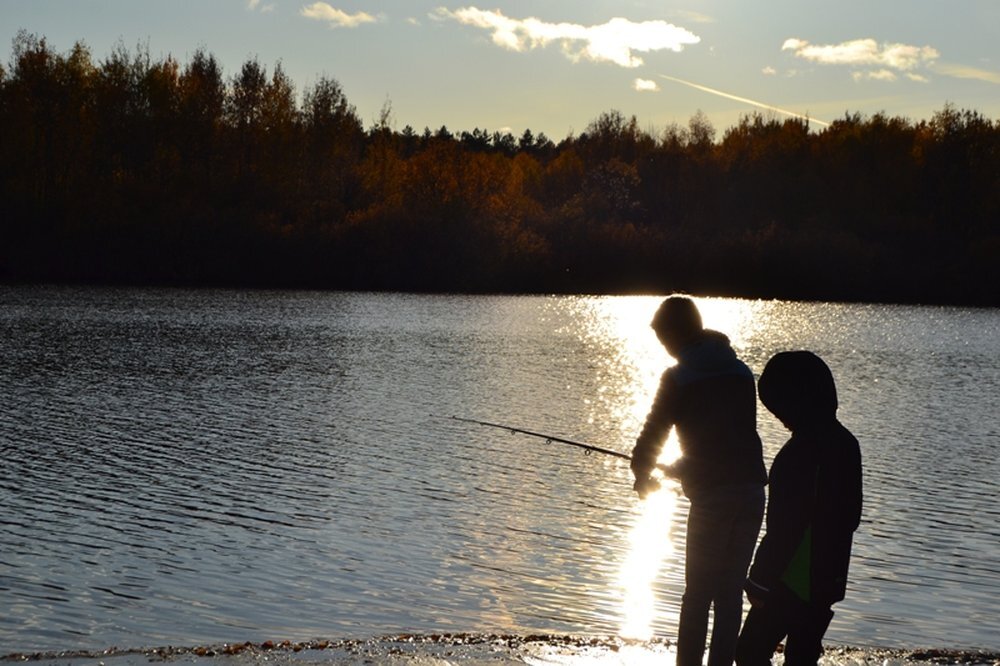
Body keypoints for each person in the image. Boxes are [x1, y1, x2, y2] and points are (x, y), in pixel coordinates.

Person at [630, 296, 767, 666]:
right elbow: (728, 440)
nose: (664, 347)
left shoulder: (678, 377)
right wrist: (680, 467)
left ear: (675, 333)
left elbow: (653, 433)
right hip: (753, 491)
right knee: (729, 592)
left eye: (663, 338)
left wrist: (642, 473)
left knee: (698, 594)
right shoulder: (740, 372)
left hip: (713, 498)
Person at [735, 351, 863, 666]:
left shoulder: (798, 454)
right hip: (828, 579)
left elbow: (784, 527)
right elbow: (852, 517)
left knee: (750, 652)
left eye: (778, 409)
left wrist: (759, 579)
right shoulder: (847, 443)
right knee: (801, 657)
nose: (779, 418)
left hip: (790, 578)